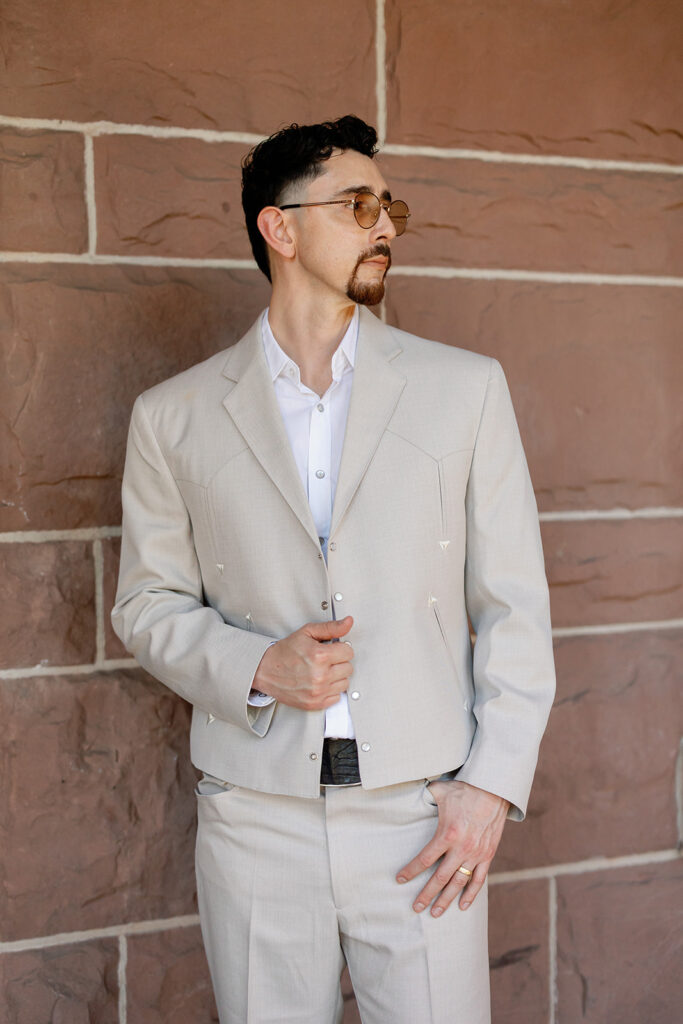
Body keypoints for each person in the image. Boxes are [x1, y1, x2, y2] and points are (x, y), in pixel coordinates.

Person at [112, 114, 555, 1024]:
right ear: (279, 228)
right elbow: (146, 603)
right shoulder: (174, 415)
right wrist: (255, 667)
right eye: (358, 205)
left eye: (388, 205)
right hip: (254, 822)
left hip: (421, 820)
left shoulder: (464, 389)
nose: (384, 225)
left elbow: (514, 603)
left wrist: (488, 790)